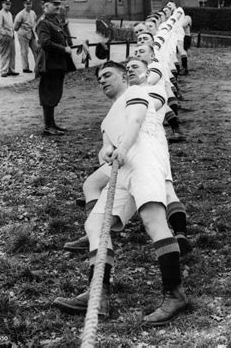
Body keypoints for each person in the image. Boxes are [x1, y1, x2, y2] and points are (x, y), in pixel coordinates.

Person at [53, 59, 189, 325]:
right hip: (122, 168)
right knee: (95, 225)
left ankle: (175, 294)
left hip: (144, 159)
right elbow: (106, 146)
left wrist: (123, 148)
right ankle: (98, 295)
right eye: (98, 78)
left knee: (153, 220)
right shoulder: (107, 118)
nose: (102, 80)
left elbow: (136, 120)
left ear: (123, 77)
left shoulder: (136, 92)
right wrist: (105, 151)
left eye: (107, 74)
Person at [35, 0, 76, 136]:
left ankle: (52, 124)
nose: (58, 6)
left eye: (59, 4)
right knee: (48, 94)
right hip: (49, 64)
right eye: (55, 4)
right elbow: (45, 43)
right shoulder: (43, 23)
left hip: (57, 63)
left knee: (55, 93)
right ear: (45, 6)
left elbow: (62, 38)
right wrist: (63, 49)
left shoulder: (55, 21)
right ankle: (48, 126)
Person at [0, 0, 19, 77]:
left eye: (9, 4)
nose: (8, 6)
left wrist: (12, 34)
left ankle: (11, 70)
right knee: (5, 53)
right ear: (2, 4)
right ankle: (3, 70)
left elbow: (11, 26)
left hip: (11, 36)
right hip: (5, 36)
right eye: (6, 4)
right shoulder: (0, 14)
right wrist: (5, 33)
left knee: (12, 53)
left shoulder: (9, 13)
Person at [14, 0, 38, 73]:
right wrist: (22, 30)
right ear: (24, 5)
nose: (29, 5)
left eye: (30, 3)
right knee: (24, 52)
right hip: (23, 35)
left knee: (36, 50)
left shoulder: (33, 12)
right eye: (27, 4)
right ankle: (25, 68)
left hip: (31, 34)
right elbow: (15, 27)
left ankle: (38, 66)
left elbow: (35, 22)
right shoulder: (20, 14)